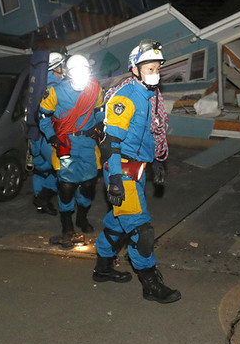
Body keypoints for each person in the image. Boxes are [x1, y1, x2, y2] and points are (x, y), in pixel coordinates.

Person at [92, 39, 179, 304]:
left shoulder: (149, 95)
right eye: (149, 68)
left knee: (118, 223)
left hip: (137, 168)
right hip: (122, 170)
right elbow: (110, 143)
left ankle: (103, 268)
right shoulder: (125, 97)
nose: (155, 73)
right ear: (135, 69)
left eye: (157, 68)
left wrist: (156, 162)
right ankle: (150, 283)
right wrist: (115, 179)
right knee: (141, 230)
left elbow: (149, 134)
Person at [39, 54, 104, 249]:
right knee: (66, 187)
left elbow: (100, 109)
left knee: (88, 184)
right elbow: (43, 116)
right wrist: (52, 137)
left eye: (84, 71)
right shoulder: (55, 92)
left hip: (88, 144)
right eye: (75, 71)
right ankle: (67, 225)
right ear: (67, 73)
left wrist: (100, 124)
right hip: (65, 143)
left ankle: (82, 218)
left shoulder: (95, 89)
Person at [30, 52, 65, 216]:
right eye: (61, 65)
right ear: (56, 66)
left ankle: (40, 204)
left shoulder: (38, 83)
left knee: (40, 169)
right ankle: (43, 198)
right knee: (61, 169)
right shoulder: (56, 87)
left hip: (34, 134)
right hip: (48, 135)